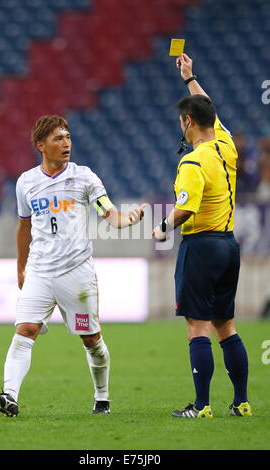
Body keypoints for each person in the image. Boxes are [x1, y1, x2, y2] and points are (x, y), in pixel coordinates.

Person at [0, 115, 146, 417]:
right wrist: (21, 266)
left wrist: (128, 219)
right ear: (41, 145)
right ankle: (10, 396)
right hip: (40, 271)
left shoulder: (84, 177)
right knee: (25, 330)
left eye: (68, 137)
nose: (67, 143)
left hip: (77, 272)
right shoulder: (26, 182)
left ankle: (102, 396)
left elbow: (108, 213)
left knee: (91, 339)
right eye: (59, 138)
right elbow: (24, 227)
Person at [153, 54, 252, 418]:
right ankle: (241, 402)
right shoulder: (226, 145)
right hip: (229, 244)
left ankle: (201, 406)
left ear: (187, 121)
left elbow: (186, 209)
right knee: (226, 323)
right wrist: (188, 78)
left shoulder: (192, 161)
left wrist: (161, 226)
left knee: (197, 325)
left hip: (201, 245)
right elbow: (209, 108)